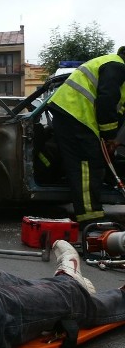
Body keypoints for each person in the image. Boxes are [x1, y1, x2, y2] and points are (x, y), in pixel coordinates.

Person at [48, 47, 125, 228]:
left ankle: (90, 213)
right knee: (87, 164)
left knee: (91, 161)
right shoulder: (117, 66)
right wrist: (109, 137)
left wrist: (112, 139)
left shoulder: (115, 67)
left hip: (72, 114)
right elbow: (107, 103)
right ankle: (89, 218)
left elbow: (117, 110)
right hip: (75, 113)